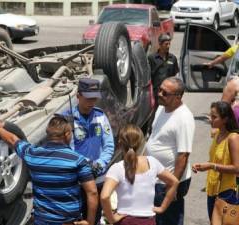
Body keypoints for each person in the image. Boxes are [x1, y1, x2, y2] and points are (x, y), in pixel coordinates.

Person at [0, 116, 98, 225]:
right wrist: (90, 222)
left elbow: (12, 140)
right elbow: (92, 192)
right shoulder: (77, 160)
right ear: (67, 134)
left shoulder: (32, 154)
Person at [101, 124, 179, 225]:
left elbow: (104, 196)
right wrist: (162, 207)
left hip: (125, 220)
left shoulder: (117, 168)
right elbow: (174, 182)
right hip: (148, 221)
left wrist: (111, 219)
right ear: (142, 143)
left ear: (120, 144)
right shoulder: (152, 162)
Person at [62, 78, 114, 225]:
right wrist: (85, 165)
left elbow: (109, 145)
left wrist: (100, 164)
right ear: (78, 96)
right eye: (88, 98)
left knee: (94, 218)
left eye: (95, 98)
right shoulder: (66, 119)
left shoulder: (100, 116)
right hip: (75, 181)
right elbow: (64, 149)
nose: (92, 102)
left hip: (97, 178)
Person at [145, 77, 195, 225]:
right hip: (156, 178)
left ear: (178, 96)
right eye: (159, 89)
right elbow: (153, 138)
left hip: (169, 181)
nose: (159, 94)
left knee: (170, 220)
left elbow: (183, 155)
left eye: (165, 93)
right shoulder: (161, 108)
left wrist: (173, 186)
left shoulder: (184, 118)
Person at [192, 101, 239, 221]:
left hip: (227, 192)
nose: (210, 119)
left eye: (214, 117)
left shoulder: (233, 138)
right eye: (210, 115)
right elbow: (215, 160)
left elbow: (237, 168)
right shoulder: (217, 134)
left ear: (225, 119)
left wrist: (211, 166)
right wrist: (202, 166)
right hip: (212, 190)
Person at [148, 33, 179, 101]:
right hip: (156, 93)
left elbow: (175, 76)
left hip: (169, 92)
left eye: (169, 44)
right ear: (160, 44)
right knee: (156, 111)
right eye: (166, 44)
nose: (168, 46)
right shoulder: (152, 58)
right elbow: (148, 76)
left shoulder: (173, 58)